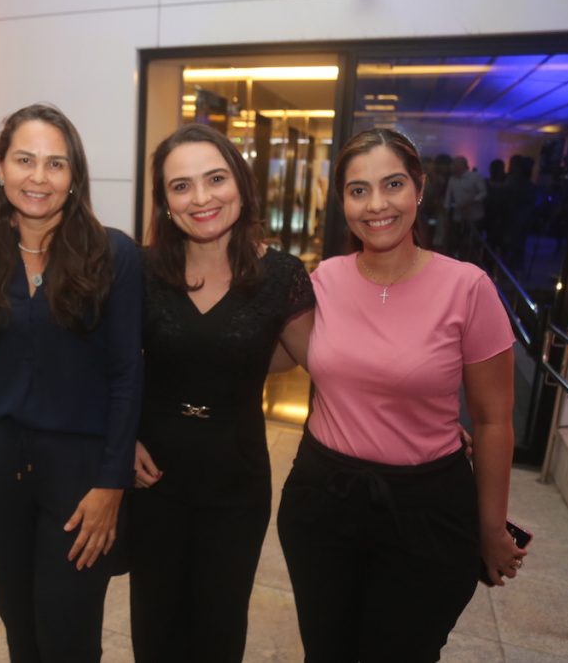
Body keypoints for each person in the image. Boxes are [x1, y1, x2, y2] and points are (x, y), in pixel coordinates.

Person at [277, 128, 526, 663]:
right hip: (322, 502)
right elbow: (261, 354)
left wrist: (490, 527)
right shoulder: (322, 280)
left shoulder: (468, 287)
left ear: (418, 189)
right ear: (341, 199)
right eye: (358, 190)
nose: (377, 205)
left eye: (392, 184)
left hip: (427, 511)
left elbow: (492, 420)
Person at [0, 103, 143, 663]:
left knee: (69, 637)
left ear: (74, 177)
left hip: (80, 477)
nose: (39, 177)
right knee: (21, 632)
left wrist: (112, 482)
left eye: (55, 164)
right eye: (24, 160)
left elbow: (126, 373)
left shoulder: (113, 254)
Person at [130, 123, 314, 662]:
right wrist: (119, 440)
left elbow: (323, 361)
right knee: (155, 628)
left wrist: (424, 414)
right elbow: (108, 370)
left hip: (236, 479)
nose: (202, 197)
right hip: (153, 479)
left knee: (218, 628)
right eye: (181, 185)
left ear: (241, 182)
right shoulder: (140, 271)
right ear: (165, 201)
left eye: (215, 178)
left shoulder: (281, 274)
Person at [444, 155, 487, 257]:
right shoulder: (452, 179)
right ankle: (460, 257)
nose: (452, 166)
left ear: (461, 165)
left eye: (454, 164)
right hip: (458, 216)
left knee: (473, 241)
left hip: (474, 216)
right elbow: (448, 195)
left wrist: (473, 201)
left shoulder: (475, 177)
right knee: (458, 239)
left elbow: (483, 192)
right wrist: (446, 209)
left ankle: (473, 259)